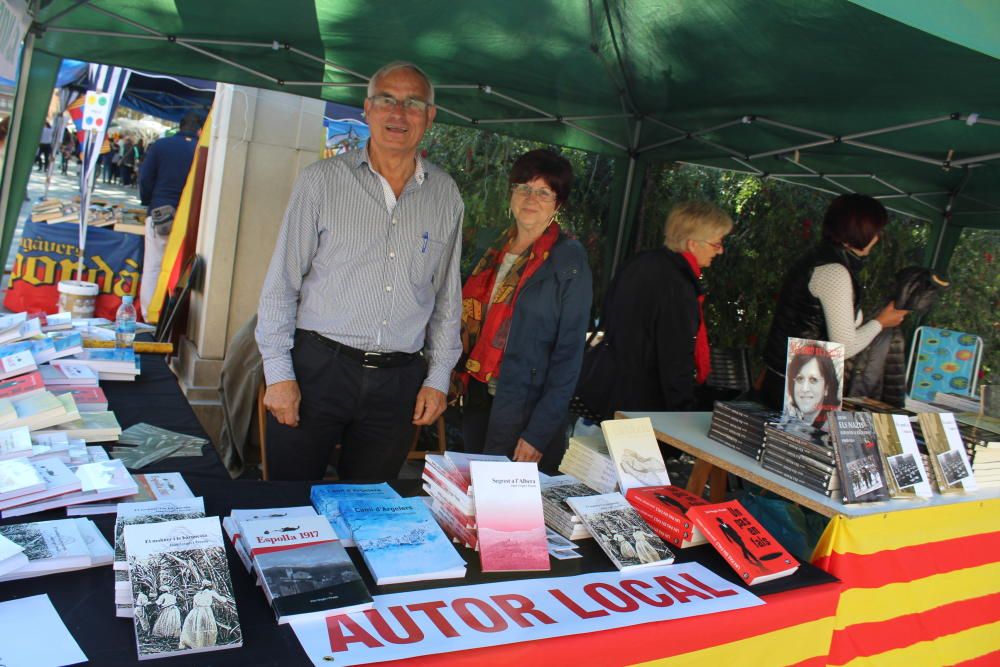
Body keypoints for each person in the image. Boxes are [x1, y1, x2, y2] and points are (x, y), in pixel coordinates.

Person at [256, 61, 463, 481]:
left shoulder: (446, 195)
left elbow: (447, 299)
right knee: (288, 506)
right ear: (367, 109)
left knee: (369, 517)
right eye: (387, 100)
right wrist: (279, 375)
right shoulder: (321, 182)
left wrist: (438, 377)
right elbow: (281, 284)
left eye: (412, 104)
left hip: (398, 383)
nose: (398, 114)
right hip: (319, 370)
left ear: (430, 116)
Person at [452, 149, 592, 470]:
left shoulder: (569, 260)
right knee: (475, 494)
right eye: (524, 187)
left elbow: (569, 355)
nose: (531, 198)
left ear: (558, 204)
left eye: (544, 192)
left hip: (525, 409)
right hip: (478, 395)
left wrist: (538, 433)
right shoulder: (491, 248)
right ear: (511, 193)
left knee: (506, 512)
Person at [574, 201, 733, 421]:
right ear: (692, 244)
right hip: (645, 406)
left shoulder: (640, 262)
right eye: (716, 244)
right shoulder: (678, 285)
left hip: (613, 389)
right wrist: (683, 415)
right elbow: (676, 358)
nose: (720, 250)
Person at [761, 194, 909, 410]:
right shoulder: (834, 271)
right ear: (862, 230)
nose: (878, 238)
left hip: (789, 377)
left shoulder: (820, 260)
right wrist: (881, 322)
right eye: (876, 231)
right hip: (799, 384)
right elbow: (844, 345)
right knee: (797, 443)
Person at [138, 113, 202, 318]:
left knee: (153, 267)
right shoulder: (203, 150)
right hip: (191, 218)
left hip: (160, 211)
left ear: (179, 126)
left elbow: (145, 178)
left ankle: (150, 316)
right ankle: (172, 318)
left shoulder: (161, 145)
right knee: (182, 270)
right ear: (200, 130)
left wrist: (149, 201)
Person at [785, 346, 840, 426]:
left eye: (813, 380)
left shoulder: (830, 430)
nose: (805, 388)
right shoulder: (792, 421)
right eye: (800, 379)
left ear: (826, 388)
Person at [178, 581, 228, 649]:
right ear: (210, 586)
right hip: (206, 611)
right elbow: (222, 600)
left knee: (198, 627)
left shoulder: (197, 594)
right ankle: (206, 644)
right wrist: (226, 598)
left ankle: (198, 643)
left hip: (196, 611)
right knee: (207, 627)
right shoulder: (211, 592)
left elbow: (194, 605)